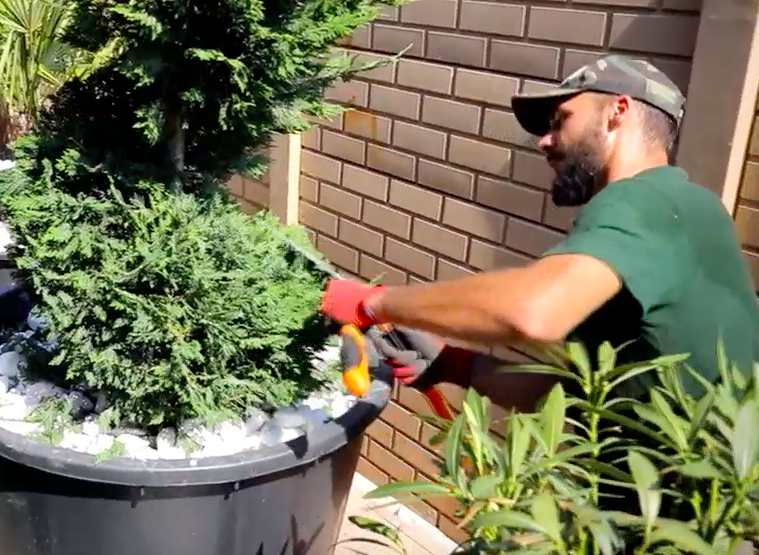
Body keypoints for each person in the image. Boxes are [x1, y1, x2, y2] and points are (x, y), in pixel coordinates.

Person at [321, 54, 759, 416]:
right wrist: (456, 364)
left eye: (560, 119)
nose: (543, 142)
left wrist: (373, 304)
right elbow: (582, 398)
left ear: (618, 111)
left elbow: (533, 312)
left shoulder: (642, 200)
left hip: (679, 496)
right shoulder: (689, 208)